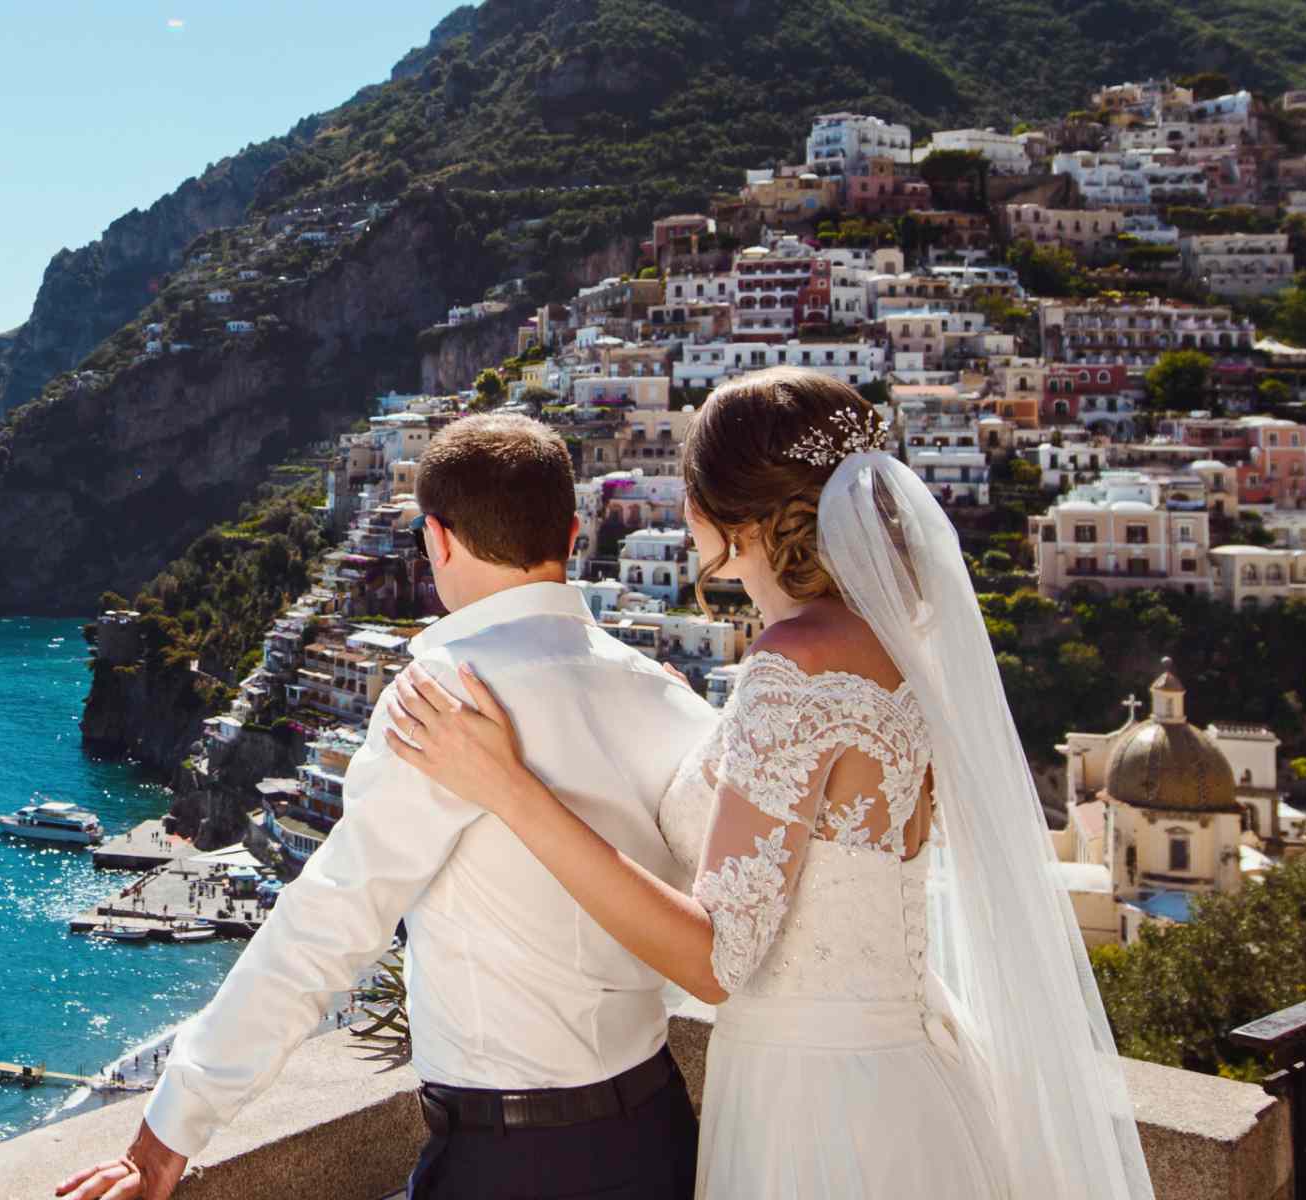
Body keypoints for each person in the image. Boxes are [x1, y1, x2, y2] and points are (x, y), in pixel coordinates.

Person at [381, 368, 1155, 1198]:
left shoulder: (792, 669)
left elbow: (715, 960)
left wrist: (510, 789)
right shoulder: (895, 649)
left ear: (725, 517)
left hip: (814, 1100)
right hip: (913, 1074)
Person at [58, 414, 719, 1200]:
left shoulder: (440, 700)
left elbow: (326, 929)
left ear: (436, 539)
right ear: (574, 534)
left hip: (511, 1161)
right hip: (661, 1135)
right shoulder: (667, 696)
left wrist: (166, 1135)